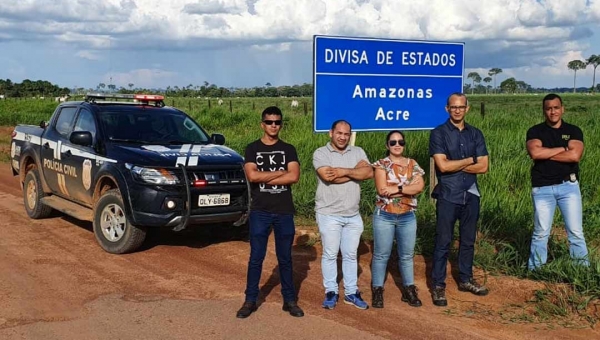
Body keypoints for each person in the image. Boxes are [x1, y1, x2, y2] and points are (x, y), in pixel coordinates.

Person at [236, 106, 304, 318]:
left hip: (284, 211)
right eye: (269, 122)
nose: (273, 125)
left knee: (285, 258)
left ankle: (289, 300)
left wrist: (267, 174)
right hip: (261, 211)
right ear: (262, 124)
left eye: (277, 122)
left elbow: (294, 177)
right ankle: (250, 299)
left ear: (281, 124)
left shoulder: (289, 149)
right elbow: (252, 177)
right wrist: (280, 171)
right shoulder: (252, 149)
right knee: (256, 257)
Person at [429, 92, 489, 307]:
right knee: (443, 241)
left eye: (461, 107)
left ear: (467, 108)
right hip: (448, 194)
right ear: (447, 109)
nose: (457, 110)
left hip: (471, 194)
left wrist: (457, 163)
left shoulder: (476, 134)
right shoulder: (439, 133)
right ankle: (438, 285)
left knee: (468, 241)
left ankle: (465, 279)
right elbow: (442, 166)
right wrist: (470, 159)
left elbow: (484, 166)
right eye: (453, 107)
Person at [313, 120, 373, 310]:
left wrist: (343, 171)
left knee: (350, 254)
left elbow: (369, 173)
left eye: (346, 134)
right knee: (330, 254)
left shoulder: (358, 152)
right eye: (339, 133)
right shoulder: (321, 153)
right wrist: (356, 172)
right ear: (331, 133)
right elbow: (328, 177)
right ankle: (331, 291)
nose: (342, 137)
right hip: (329, 213)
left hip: (352, 214)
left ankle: (351, 292)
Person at [526, 94, 589, 270]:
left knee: (576, 232)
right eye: (548, 108)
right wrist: (563, 148)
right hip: (542, 189)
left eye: (556, 107)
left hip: (568, 187)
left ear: (562, 109)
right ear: (544, 110)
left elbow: (575, 155)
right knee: (540, 233)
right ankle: (536, 270)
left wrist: (547, 152)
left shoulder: (574, 130)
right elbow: (535, 154)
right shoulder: (535, 131)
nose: (552, 111)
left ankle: (582, 271)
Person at [371, 130, 425, 308]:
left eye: (400, 142)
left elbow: (419, 187)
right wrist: (406, 187)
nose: (397, 145)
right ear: (387, 145)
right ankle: (377, 289)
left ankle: (409, 289)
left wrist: (397, 188)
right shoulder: (381, 164)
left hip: (407, 216)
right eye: (393, 142)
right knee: (381, 255)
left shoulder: (413, 163)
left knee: (407, 255)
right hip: (385, 216)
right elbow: (382, 189)